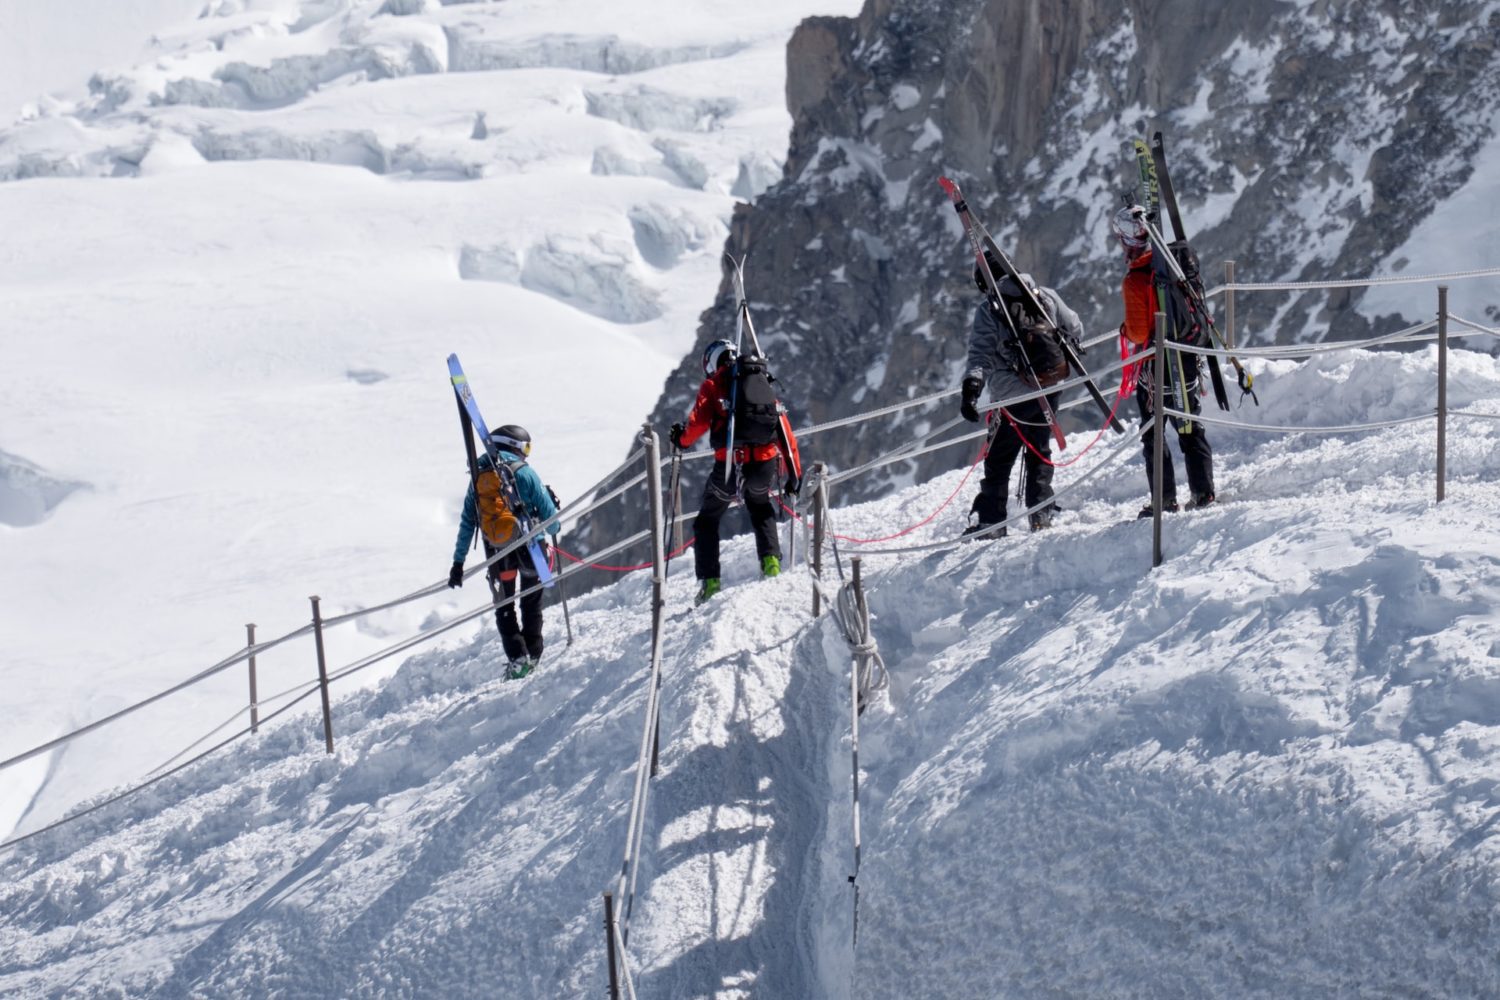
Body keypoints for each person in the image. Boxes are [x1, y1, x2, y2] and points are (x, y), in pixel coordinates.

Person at [958, 251, 1083, 537]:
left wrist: (971, 391)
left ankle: (992, 522)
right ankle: (1040, 512)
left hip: (1011, 398)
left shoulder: (990, 309)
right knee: (1039, 449)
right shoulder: (1044, 295)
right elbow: (1075, 327)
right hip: (1049, 387)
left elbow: (981, 357)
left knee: (999, 458)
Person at [670, 339, 797, 604]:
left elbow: (697, 424)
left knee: (706, 520)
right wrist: (794, 473)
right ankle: (771, 566)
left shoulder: (714, 384)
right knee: (761, 508)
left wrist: (680, 439)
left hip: (731, 466)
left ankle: (711, 583)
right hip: (765, 465)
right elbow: (783, 428)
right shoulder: (760, 381)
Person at [1111, 206, 1215, 517]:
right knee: (1189, 425)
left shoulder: (1136, 280)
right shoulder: (1173, 264)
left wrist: (1126, 330)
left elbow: (1140, 330)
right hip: (1184, 354)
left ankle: (1164, 500)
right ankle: (1204, 492)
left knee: (1154, 432)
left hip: (1155, 366)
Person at [447, 424, 560, 679]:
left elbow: (468, 521)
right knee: (531, 602)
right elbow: (552, 521)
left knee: (505, 606)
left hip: (498, 554)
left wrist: (458, 563)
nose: (527, 454)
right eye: (526, 448)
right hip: (531, 549)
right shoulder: (525, 472)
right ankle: (533, 654)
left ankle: (518, 661)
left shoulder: (479, 476)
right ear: (515, 446)